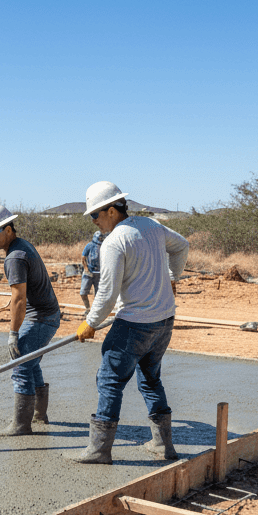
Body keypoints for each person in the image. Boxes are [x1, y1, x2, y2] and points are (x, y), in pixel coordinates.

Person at [74, 181, 189, 464]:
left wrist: (90, 322)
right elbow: (182, 245)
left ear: (112, 210)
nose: (95, 221)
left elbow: (108, 293)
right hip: (164, 321)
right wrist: (174, 277)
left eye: (95, 215)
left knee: (110, 381)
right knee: (151, 379)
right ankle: (163, 446)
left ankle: (99, 450)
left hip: (134, 323)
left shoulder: (114, 242)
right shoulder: (152, 226)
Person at [0, 204, 60, 435]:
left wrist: (13, 334)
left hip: (42, 317)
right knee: (31, 363)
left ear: (8, 229)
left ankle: (21, 425)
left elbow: (19, 299)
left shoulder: (15, 256)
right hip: (48, 314)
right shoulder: (23, 246)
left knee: (21, 365)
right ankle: (39, 415)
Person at [79, 231, 105, 314]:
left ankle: (94, 311)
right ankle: (88, 308)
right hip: (89, 272)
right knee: (83, 292)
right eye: (99, 238)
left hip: (99, 273)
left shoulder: (104, 246)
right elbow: (83, 258)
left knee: (98, 294)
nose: (100, 239)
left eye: (101, 238)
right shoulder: (89, 245)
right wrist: (86, 269)